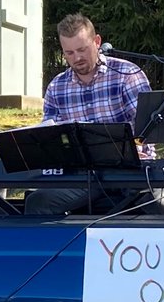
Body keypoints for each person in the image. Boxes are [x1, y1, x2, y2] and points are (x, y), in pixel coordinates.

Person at [24, 13, 153, 215]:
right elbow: (49, 139)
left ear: (97, 42)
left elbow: (148, 130)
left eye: (82, 49)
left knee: (160, 202)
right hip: (83, 177)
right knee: (37, 203)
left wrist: (137, 148)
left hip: (130, 172)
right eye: (69, 53)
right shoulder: (57, 87)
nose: (77, 58)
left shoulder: (127, 74)